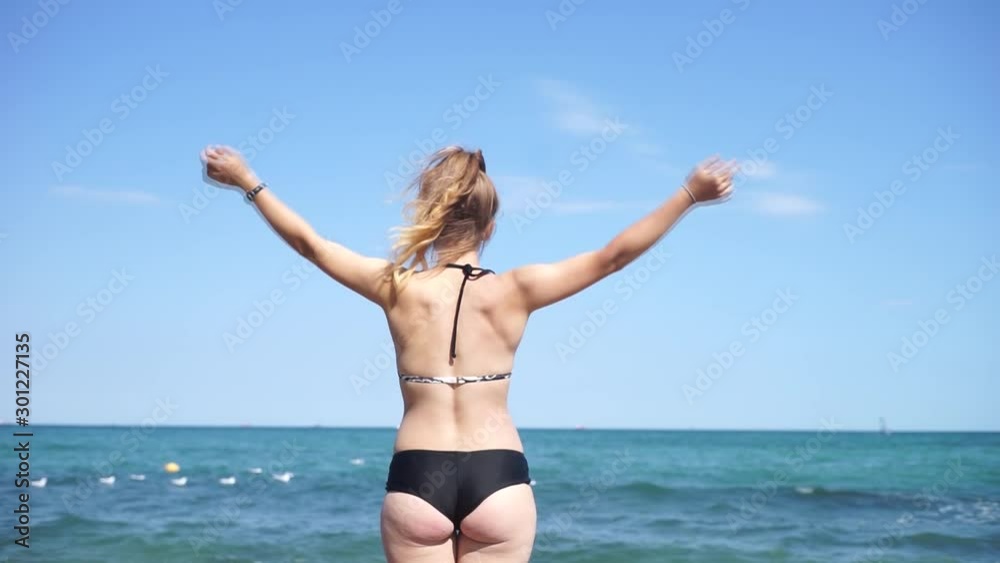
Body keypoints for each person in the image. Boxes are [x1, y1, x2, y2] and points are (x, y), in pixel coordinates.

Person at [200, 144, 735, 562]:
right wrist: (689, 194)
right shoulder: (518, 289)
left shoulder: (396, 286)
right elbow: (612, 257)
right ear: (490, 227)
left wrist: (247, 181)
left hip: (416, 476)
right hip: (498, 476)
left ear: (432, 219)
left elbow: (311, 246)